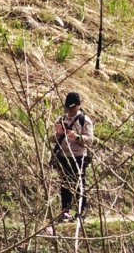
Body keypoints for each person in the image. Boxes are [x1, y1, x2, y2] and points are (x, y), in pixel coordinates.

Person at [53, 91, 94, 221]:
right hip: (63, 156)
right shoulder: (60, 119)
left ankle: (81, 213)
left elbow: (90, 140)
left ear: (78, 105)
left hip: (79, 156)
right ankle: (65, 211)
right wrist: (58, 134)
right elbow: (52, 139)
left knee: (79, 184)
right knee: (65, 184)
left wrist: (77, 137)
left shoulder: (84, 120)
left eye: (72, 107)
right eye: (68, 108)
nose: (70, 110)